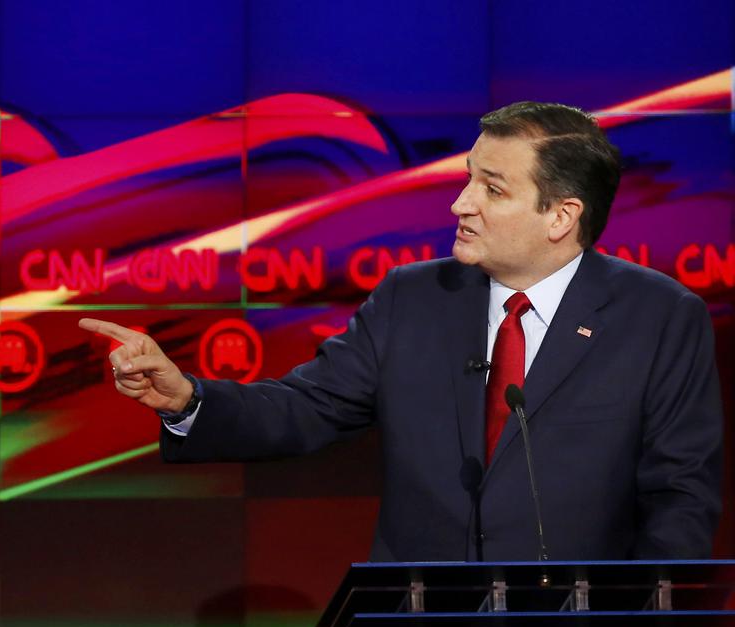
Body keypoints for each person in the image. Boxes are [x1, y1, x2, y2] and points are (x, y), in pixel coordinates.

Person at [81, 101, 722, 562]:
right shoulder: (412, 298)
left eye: (491, 189)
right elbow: (306, 408)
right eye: (467, 177)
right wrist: (187, 401)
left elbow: (680, 495)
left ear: (561, 215)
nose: (461, 203)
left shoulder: (658, 318)